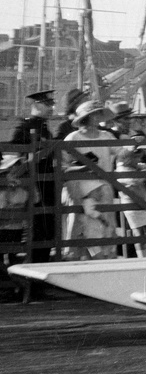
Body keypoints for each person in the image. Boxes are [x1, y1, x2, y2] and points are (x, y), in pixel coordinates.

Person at [61, 100, 119, 260]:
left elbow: (121, 153)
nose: (98, 117)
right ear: (87, 117)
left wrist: (134, 147)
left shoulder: (107, 136)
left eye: (100, 114)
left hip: (103, 190)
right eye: (95, 114)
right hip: (80, 191)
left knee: (104, 226)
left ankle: (102, 261)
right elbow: (62, 166)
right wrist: (81, 168)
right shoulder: (73, 138)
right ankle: (78, 261)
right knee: (81, 228)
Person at [8, 90, 59, 264]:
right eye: (48, 105)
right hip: (36, 181)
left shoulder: (42, 126)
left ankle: (40, 262)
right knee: (40, 226)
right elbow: (17, 152)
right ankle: (36, 264)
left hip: (46, 180)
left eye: (51, 105)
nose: (51, 108)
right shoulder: (27, 127)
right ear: (36, 105)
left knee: (46, 225)